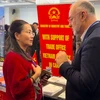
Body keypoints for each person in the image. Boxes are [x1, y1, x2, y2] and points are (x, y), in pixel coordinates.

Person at [55, 1, 100, 100]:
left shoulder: (94, 40)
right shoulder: (95, 33)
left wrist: (64, 64)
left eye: (71, 19)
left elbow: (86, 84)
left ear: (83, 16)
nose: (69, 25)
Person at [3, 19, 42, 100]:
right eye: (28, 32)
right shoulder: (13, 57)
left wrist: (39, 79)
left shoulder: (25, 54)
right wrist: (35, 76)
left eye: (32, 33)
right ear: (17, 35)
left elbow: (27, 77)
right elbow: (17, 90)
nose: (32, 36)